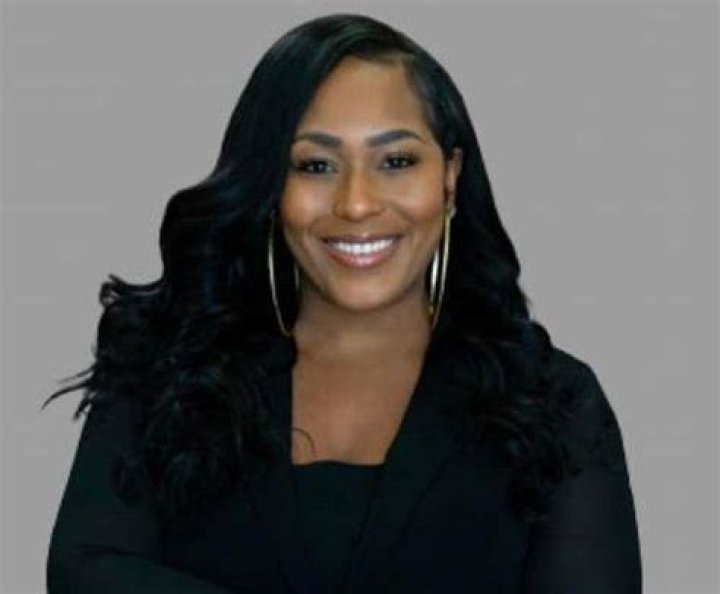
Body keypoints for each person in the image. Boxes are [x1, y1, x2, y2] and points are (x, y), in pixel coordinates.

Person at [44, 13, 642, 594]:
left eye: (396, 161)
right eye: (316, 165)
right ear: (271, 184)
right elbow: (85, 569)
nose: (356, 203)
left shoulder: (554, 403)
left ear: (450, 178)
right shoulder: (166, 370)